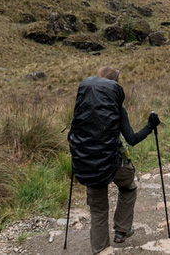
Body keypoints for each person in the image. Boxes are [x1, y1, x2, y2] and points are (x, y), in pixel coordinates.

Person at [68, 66, 160, 254]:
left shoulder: (82, 106)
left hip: (87, 163)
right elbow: (132, 139)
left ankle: (100, 250)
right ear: (115, 84)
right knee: (128, 187)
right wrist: (150, 126)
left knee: (98, 210)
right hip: (113, 162)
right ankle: (121, 230)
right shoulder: (117, 109)